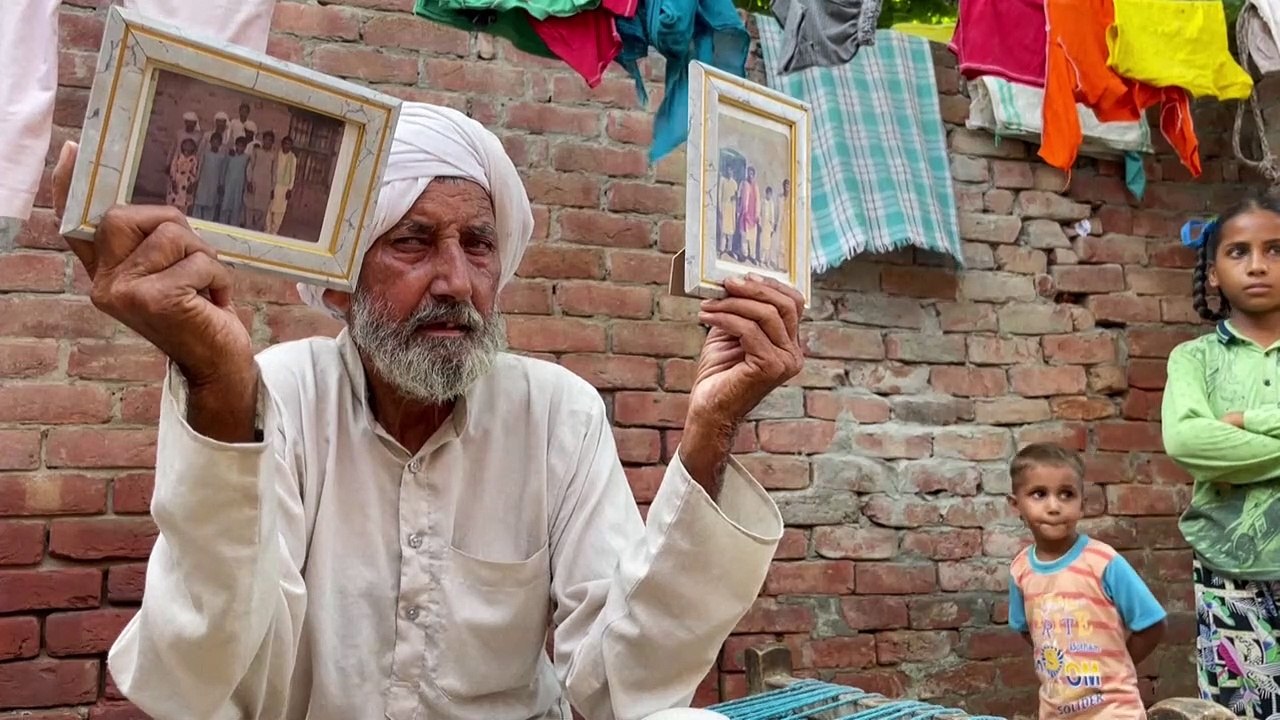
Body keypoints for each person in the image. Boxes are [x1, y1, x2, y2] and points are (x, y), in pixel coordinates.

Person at [47, 102, 801, 720]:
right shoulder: (276, 394)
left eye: (478, 245)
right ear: (338, 286)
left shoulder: (554, 413)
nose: (454, 281)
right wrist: (216, 384)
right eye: (413, 241)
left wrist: (710, 433)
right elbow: (203, 676)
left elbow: (620, 686)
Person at [1162, 195, 1280, 719]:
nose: (1257, 264)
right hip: (1229, 570)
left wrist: (1248, 422)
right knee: (1241, 712)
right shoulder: (1195, 359)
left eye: (1275, 250)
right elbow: (1187, 442)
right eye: (1239, 252)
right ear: (1212, 274)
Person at [1007, 443, 1167, 719]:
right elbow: (1027, 630)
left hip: (1114, 710)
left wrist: (1118, 663)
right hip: (1055, 711)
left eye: (1066, 494)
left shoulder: (1103, 562)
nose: (1054, 506)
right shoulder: (1020, 569)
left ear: (1083, 504)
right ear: (1015, 505)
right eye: (1038, 494)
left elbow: (1152, 624)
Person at [244, 129, 276, 231]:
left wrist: (272, 188)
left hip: (265, 186)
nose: (267, 142)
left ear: (272, 142)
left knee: (262, 210)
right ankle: (248, 228)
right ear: (263, 140)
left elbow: (274, 172)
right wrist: (249, 181)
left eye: (270, 140)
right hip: (254, 183)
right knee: (250, 206)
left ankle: (257, 230)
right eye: (266, 139)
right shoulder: (256, 151)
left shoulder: (273, 155)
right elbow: (250, 167)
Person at [191, 132, 227, 222]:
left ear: (220, 144)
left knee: (211, 205)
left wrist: (221, 184)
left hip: (214, 184)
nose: (215, 144)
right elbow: (199, 168)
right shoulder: (205, 154)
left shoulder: (222, 157)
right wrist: (196, 180)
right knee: (199, 203)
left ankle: (207, 223)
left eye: (217, 142)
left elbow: (222, 172)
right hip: (203, 182)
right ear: (210, 142)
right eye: (213, 141)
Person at [266, 135, 298, 236]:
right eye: (285, 143)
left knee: (280, 210)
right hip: (275, 185)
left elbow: (293, 174)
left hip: (285, 187)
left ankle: (274, 231)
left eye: (289, 144)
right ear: (282, 144)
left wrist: (290, 189)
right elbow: (272, 171)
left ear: (291, 146)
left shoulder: (293, 158)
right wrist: (271, 186)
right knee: (270, 207)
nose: (286, 146)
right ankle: (267, 229)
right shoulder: (276, 154)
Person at [219, 135, 251, 227]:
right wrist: (221, 184)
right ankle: (222, 226)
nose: (239, 148)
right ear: (235, 145)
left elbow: (248, 172)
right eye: (238, 145)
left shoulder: (247, 158)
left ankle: (233, 228)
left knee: (236, 208)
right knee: (225, 206)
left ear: (245, 147)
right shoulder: (230, 156)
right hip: (228, 184)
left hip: (239, 186)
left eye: (242, 146)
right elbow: (223, 170)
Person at [165, 137, 200, 215]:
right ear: (182, 146)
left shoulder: (194, 159)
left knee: (184, 204)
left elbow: (194, 172)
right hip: (176, 181)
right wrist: (173, 180)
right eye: (186, 144)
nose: (188, 146)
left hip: (186, 183)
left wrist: (192, 183)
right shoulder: (178, 156)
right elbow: (173, 168)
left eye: (190, 145)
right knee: (173, 201)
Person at [736, 165, 759, 262]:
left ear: (754, 175)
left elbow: (758, 201)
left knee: (752, 238)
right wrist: (739, 211)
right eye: (749, 173)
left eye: (752, 174)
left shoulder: (756, 187)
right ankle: (744, 254)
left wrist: (757, 215)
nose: (750, 176)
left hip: (753, 216)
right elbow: (739, 197)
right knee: (744, 236)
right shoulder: (744, 184)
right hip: (744, 214)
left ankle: (752, 256)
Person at [760, 186, 775, 270]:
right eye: (768, 193)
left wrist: (772, 228)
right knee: (763, 244)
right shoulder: (763, 202)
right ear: (766, 193)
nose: (769, 195)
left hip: (769, 226)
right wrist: (760, 224)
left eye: (770, 194)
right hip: (763, 224)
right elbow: (760, 213)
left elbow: (772, 216)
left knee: (768, 245)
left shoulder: (772, 204)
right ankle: (761, 261)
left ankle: (767, 262)